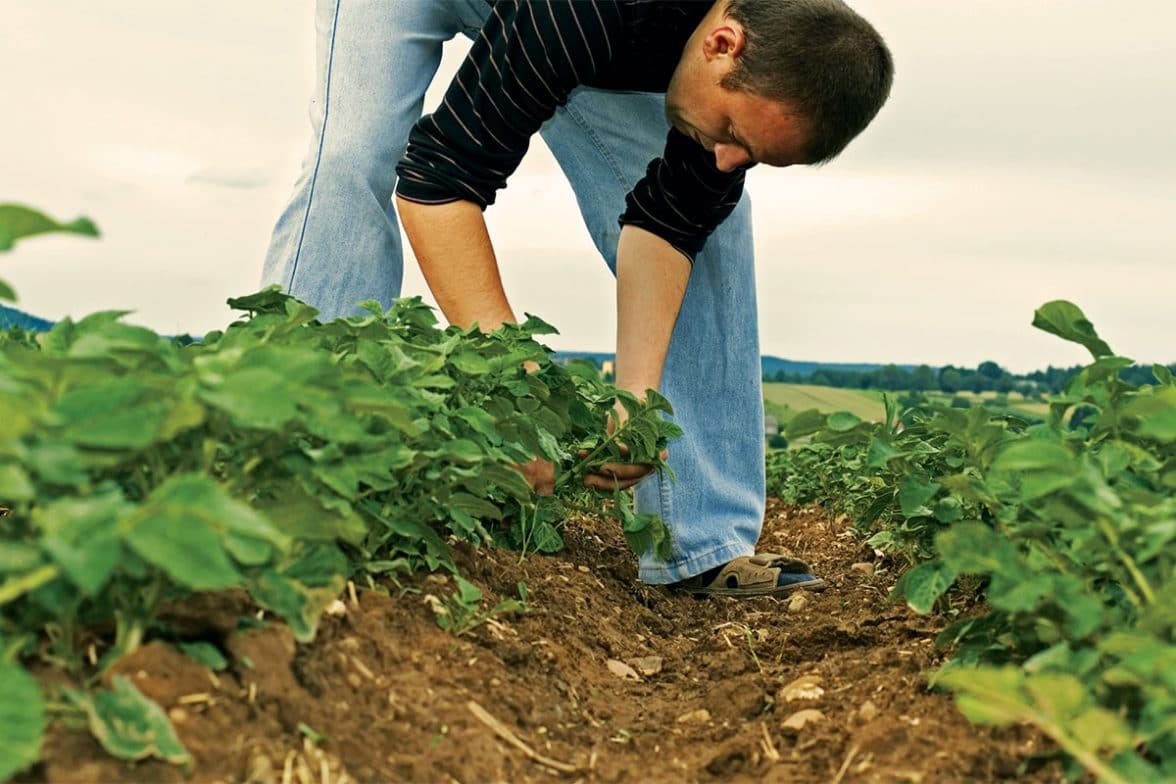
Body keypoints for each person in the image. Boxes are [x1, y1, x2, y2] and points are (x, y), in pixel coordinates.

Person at [261, 0, 893, 597]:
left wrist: (638, 404)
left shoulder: (774, 40)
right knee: (352, 157)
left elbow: (667, 223)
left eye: (753, 152)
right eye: (731, 130)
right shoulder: (588, 11)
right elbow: (439, 181)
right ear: (722, 44)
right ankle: (289, 468)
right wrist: (521, 394)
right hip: (578, 12)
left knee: (716, 223)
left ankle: (704, 545)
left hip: (603, 23)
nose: (729, 155)